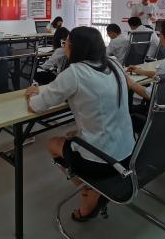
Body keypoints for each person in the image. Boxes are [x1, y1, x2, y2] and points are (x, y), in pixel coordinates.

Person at [25, 27, 134, 222]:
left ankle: (89, 188)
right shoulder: (114, 64)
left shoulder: (74, 73)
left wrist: (32, 93)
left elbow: (36, 106)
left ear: (75, 47)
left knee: (52, 143)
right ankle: (92, 188)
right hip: (128, 154)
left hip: (101, 161)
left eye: (66, 42)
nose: (64, 45)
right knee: (71, 136)